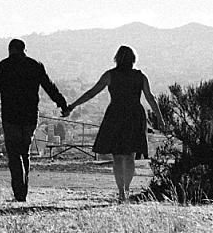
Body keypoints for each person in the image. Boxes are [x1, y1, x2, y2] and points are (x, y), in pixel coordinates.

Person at [64, 44, 164, 202]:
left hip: (116, 115)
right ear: (133, 59)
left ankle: (121, 192)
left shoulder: (110, 75)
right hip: (134, 116)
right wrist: (160, 118)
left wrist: (72, 106)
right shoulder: (140, 76)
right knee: (130, 156)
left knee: (118, 157)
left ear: (117, 58)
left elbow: (92, 92)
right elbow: (150, 98)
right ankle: (126, 189)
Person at [0, 39, 69, 202]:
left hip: (10, 116)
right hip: (30, 116)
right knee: (25, 151)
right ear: (24, 50)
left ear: (9, 50)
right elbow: (49, 86)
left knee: (14, 154)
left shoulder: (3, 66)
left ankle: (19, 191)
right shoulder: (35, 65)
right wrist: (62, 104)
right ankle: (23, 189)